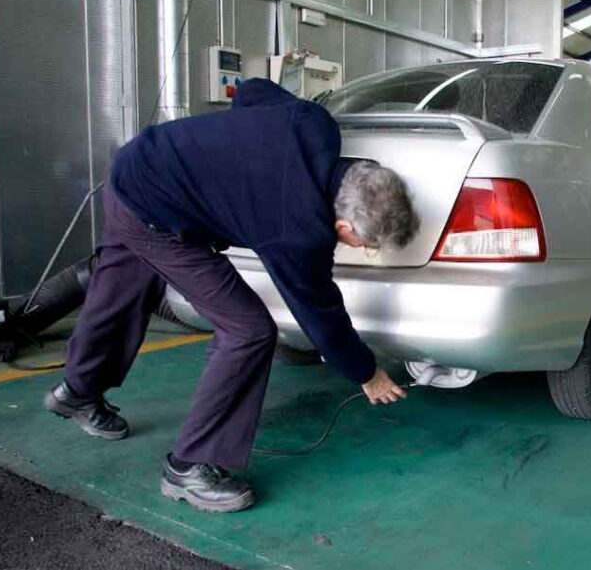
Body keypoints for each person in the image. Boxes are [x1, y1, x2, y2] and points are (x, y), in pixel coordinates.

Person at [43, 79, 421, 513]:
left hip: (135, 168)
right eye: (364, 244)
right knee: (248, 329)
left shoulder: (315, 123)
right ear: (344, 227)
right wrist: (367, 372)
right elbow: (321, 316)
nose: (363, 251)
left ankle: (77, 390)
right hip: (156, 210)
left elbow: (252, 90)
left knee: (120, 291)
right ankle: (191, 466)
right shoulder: (296, 229)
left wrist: (230, 153)